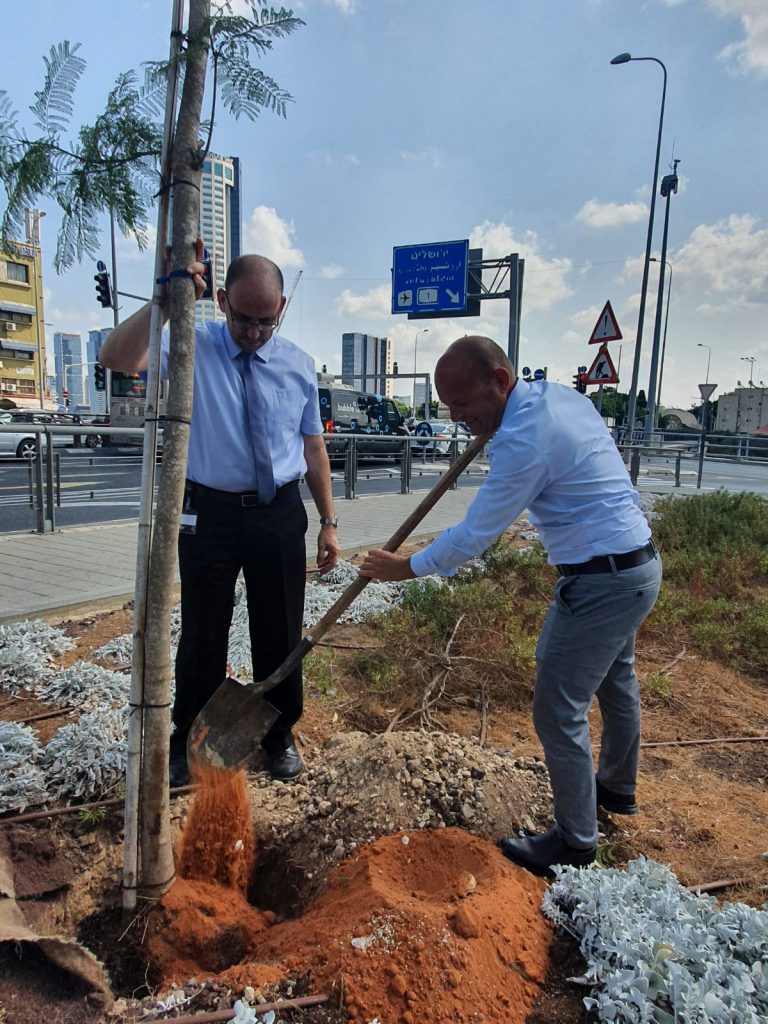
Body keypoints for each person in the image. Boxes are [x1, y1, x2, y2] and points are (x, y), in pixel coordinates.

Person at [359, 336, 661, 877]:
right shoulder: (559, 399)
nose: (456, 417)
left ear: (500, 382)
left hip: (601, 582)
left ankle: (576, 841)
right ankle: (615, 788)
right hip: (636, 566)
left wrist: (404, 566)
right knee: (618, 681)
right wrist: (485, 421)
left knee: (557, 708)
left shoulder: (525, 437)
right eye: (449, 407)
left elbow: (476, 534)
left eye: (463, 404)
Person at [100, 240, 340, 786]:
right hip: (208, 514)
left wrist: (328, 522)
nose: (255, 332)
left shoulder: (299, 365)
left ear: (281, 309)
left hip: (279, 514)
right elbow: (116, 359)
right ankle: (188, 740)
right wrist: (166, 296)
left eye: (266, 321)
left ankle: (279, 734)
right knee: (204, 630)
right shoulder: (190, 345)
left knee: (278, 628)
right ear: (225, 301)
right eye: (244, 319)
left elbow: (313, 449)